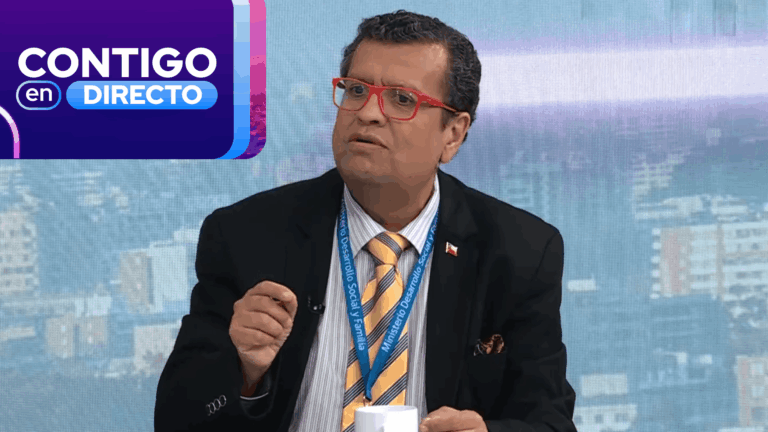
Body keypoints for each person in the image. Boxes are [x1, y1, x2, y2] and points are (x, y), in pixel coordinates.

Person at [155, 10, 576, 432]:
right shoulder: (248, 235)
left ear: (453, 133)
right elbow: (177, 420)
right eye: (357, 90)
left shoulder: (519, 252)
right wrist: (245, 374)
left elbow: (549, 422)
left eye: (402, 99)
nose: (368, 113)